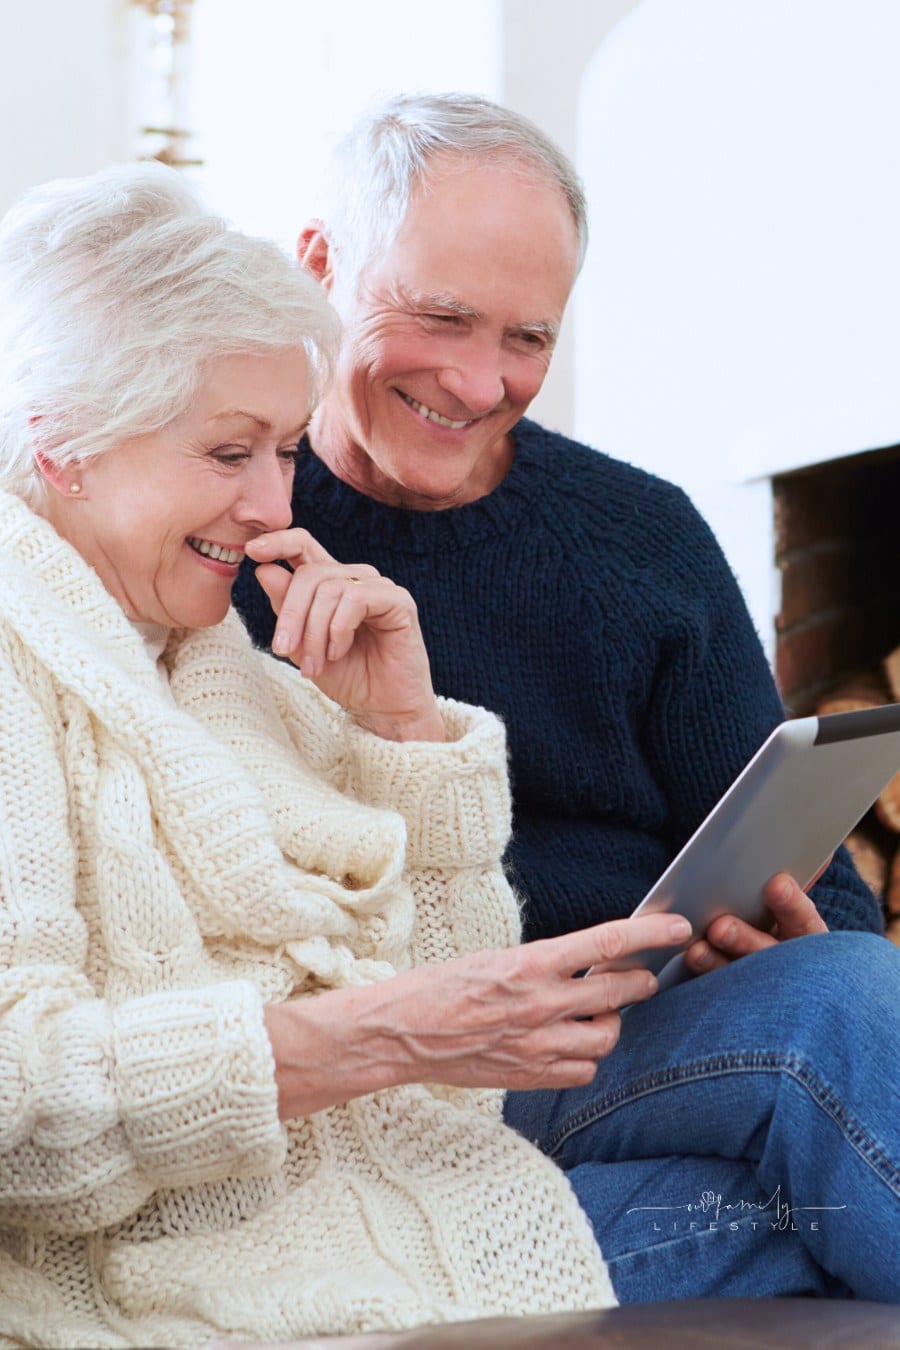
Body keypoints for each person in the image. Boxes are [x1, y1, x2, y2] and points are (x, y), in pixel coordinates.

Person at [0, 165, 897, 1350]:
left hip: (410, 1161)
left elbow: (447, 1024)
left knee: (826, 1136)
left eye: (282, 451)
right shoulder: (40, 675)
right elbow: (25, 1097)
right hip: (222, 1251)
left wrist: (409, 739)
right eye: (233, 455)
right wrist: (378, 1034)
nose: (276, 503)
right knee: (817, 1156)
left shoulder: (211, 657)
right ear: (61, 445)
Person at [231, 93, 884, 965]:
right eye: (442, 317)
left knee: (847, 983)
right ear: (319, 265)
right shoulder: (220, 527)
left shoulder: (644, 536)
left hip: (660, 1019)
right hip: (406, 1045)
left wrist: (793, 945)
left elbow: (828, 889)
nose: (477, 383)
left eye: (527, 338)